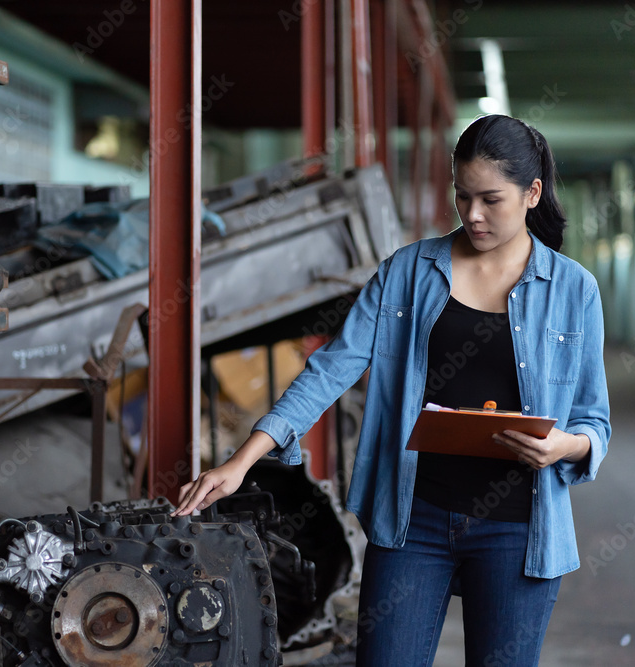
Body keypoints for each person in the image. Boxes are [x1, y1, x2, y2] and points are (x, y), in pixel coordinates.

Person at [173, 114, 611, 667]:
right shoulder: (408, 272)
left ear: (532, 193)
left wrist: (562, 448)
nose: (473, 214)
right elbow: (331, 367)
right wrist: (243, 460)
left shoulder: (573, 290)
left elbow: (595, 422)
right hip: (414, 520)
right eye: (462, 196)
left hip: (518, 531)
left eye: (491, 200)